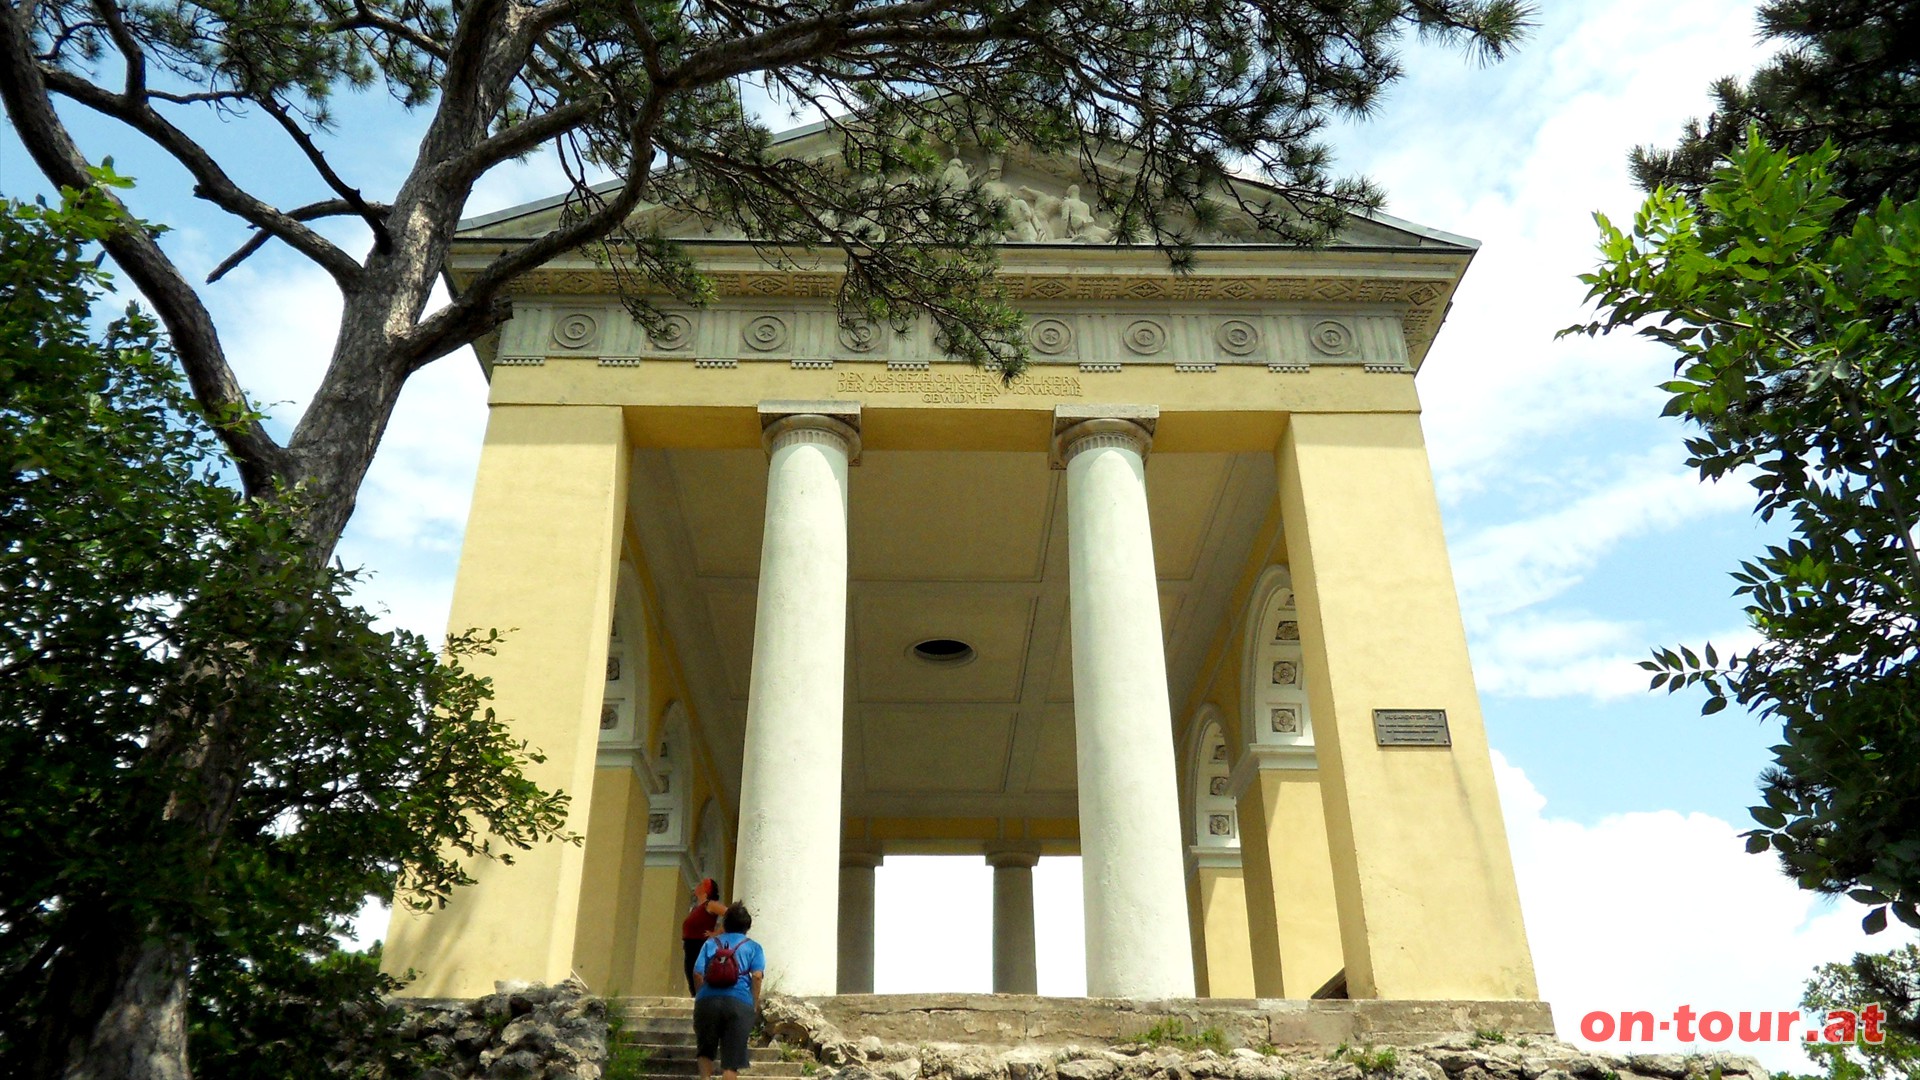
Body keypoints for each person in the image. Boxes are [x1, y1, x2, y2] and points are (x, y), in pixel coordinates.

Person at [693, 902, 766, 1080]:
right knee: (731, 1061)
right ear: (747, 927)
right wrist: (754, 1002)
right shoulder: (753, 947)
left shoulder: (710, 944)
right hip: (739, 1004)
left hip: (708, 1002)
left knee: (705, 1051)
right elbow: (756, 976)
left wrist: (702, 995)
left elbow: (697, 972)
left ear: (725, 924)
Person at [681, 878, 727, 996]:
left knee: (698, 972)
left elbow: (729, 914)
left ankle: (702, 998)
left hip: (699, 944)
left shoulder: (710, 904)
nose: (698, 885)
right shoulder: (697, 908)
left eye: (702, 884)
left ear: (707, 889)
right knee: (691, 973)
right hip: (690, 945)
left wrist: (716, 933)